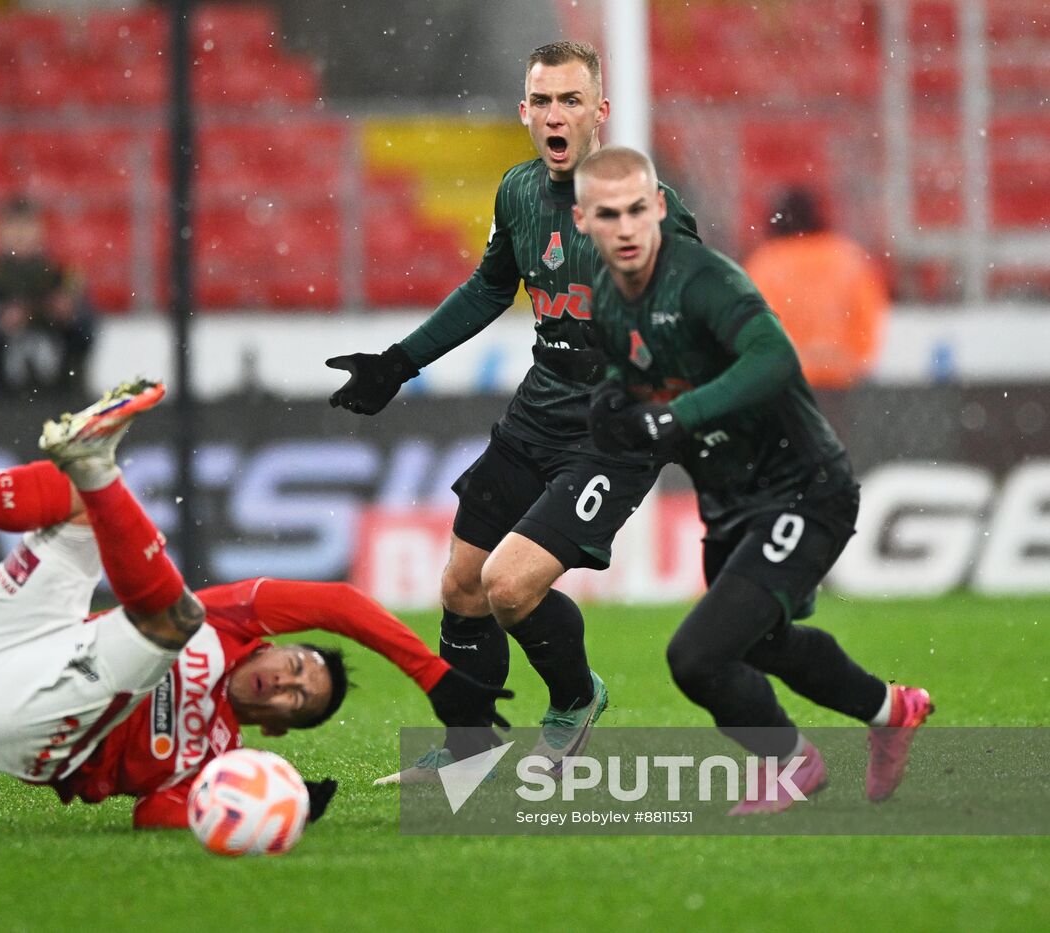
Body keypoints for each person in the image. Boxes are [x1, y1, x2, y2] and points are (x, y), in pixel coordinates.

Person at [0, 379, 511, 828]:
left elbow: (152, 815)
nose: (287, 683)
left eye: (296, 701)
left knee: (171, 618)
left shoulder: (219, 754)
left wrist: (271, 793)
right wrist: (435, 677)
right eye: (300, 666)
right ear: (276, 644)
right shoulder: (237, 624)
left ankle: (96, 464)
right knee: (82, 510)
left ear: (275, 728)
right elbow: (338, 601)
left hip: (24, 728)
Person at [326, 41, 700, 781]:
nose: (556, 115)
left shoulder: (644, 205)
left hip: (613, 433)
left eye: (571, 100)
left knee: (509, 583)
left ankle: (574, 697)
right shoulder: (519, 192)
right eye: (543, 101)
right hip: (538, 412)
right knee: (461, 584)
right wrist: (400, 363)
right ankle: (468, 750)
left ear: (601, 111)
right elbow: (489, 288)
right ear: (524, 111)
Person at [572, 146, 932, 813]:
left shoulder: (703, 279)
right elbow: (627, 375)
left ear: (656, 208)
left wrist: (676, 415)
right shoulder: (601, 297)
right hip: (730, 499)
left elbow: (773, 357)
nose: (624, 228)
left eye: (634, 211)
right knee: (763, 643)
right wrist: (612, 400)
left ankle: (793, 763)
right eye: (607, 214)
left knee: (698, 655)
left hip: (805, 485)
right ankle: (891, 711)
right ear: (583, 219)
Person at [0, 196, 94, 403]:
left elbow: (89, 338)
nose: (20, 235)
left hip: (59, 403)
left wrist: (70, 319)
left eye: (27, 226)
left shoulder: (65, 280)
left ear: (42, 232)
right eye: (12, 226)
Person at [744, 187, 889, 389]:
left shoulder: (766, 262)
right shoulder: (849, 258)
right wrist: (848, 360)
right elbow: (868, 320)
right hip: (845, 383)